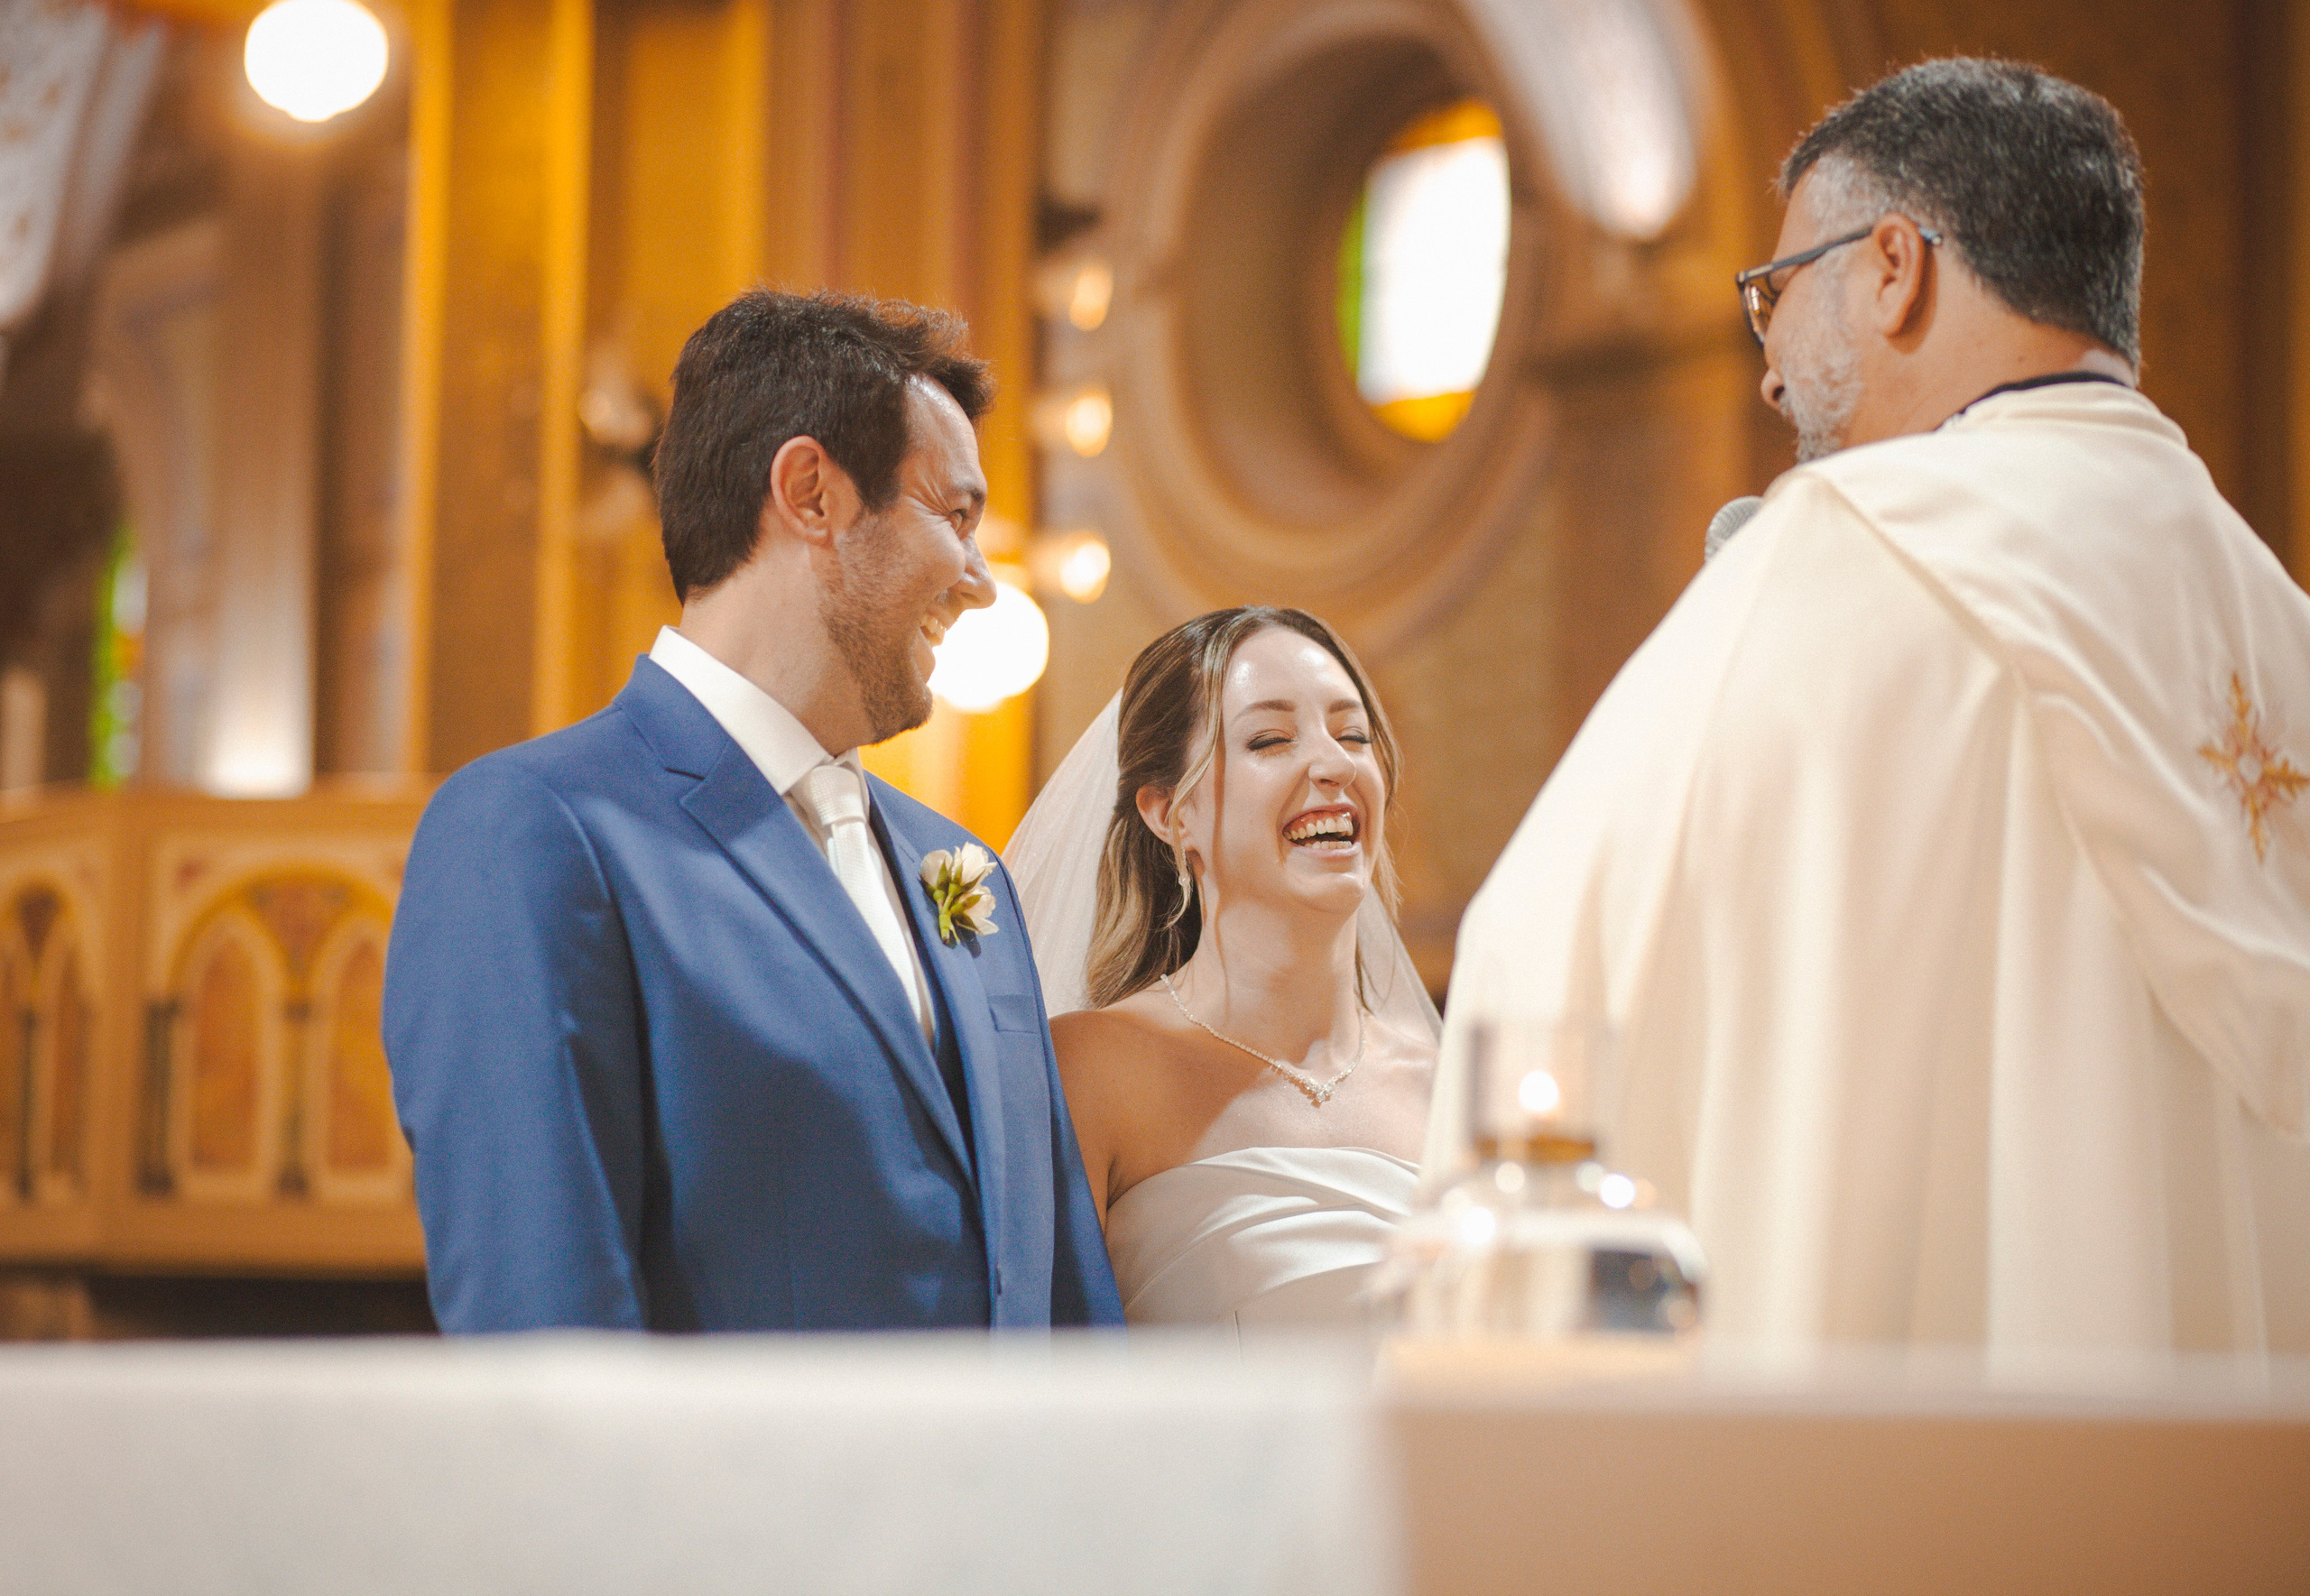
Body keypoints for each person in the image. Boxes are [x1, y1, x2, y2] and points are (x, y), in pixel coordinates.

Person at [1431, 60, 2310, 1352]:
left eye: (1777, 295)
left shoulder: (1842, 556)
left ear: (1895, 267)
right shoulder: (2277, 625)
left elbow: (1545, 964)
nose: (1773, 372)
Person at [385, 290, 1123, 1333]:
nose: (980, 580)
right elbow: (542, 1323)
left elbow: (1059, 1293)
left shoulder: (961, 870)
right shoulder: (540, 833)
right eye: (955, 516)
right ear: (812, 491)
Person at [1005, 608, 1438, 1333]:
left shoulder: (1440, 1083)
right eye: (1270, 739)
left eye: (1353, 734)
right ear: (1171, 813)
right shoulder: (1088, 1069)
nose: (1333, 764)